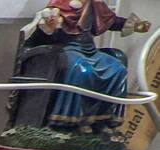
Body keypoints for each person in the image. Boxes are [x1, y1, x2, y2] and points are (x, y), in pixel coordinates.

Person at [29, 2, 151, 137]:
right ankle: (70, 122)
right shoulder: (57, 7)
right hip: (66, 49)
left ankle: (103, 120)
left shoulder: (95, 5)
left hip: (90, 50)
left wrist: (135, 25)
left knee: (118, 69)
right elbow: (40, 36)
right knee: (82, 70)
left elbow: (111, 21)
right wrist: (49, 27)